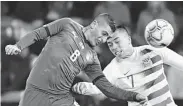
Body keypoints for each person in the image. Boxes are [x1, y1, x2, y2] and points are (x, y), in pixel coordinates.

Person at [5, 13, 146, 106]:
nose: (102, 40)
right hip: (36, 90)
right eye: (103, 34)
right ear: (94, 24)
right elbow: (38, 33)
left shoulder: (93, 58)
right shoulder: (67, 24)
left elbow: (106, 88)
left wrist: (133, 96)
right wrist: (18, 45)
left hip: (61, 98)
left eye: (106, 38)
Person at [72, 25, 183, 106]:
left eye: (117, 41)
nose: (114, 47)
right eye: (110, 44)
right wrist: (82, 87)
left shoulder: (153, 51)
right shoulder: (112, 68)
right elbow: (99, 88)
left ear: (129, 39)